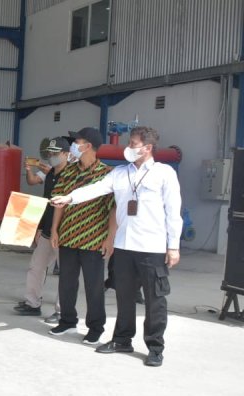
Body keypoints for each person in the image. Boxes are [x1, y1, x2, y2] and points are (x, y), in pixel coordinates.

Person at [51, 126, 182, 367]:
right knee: (124, 296)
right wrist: (69, 198)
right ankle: (122, 339)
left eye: (133, 144)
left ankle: (155, 346)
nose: (128, 148)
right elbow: (95, 189)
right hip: (123, 246)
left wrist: (173, 246)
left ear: (148, 148)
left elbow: (174, 212)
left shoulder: (164, 174)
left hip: (152, 247)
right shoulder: (120, 174)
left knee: (155, 300)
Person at [48, 127, 115, 346]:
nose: (74, 145)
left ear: (88, 146)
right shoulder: (69, 171)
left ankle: (95, 327)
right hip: (67, 235)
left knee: (93, 286)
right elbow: (59, 202)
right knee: (66, 283)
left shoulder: (107, 173)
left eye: (77, 141)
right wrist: (55, 230)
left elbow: (113, 209)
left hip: (93, 238)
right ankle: (67, 320)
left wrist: (109, 239)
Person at [14, 137, 70, 323]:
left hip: (65, 232)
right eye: (51, 153)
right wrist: (39, 227)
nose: (52, 157)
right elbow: (47, 203)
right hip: (47, 230)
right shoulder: (51, 174)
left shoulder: (72, 175)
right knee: (36, 266)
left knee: (66, 273)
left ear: (67, 154)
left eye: (56, 153)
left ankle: (62, 312)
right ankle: (32, 303)